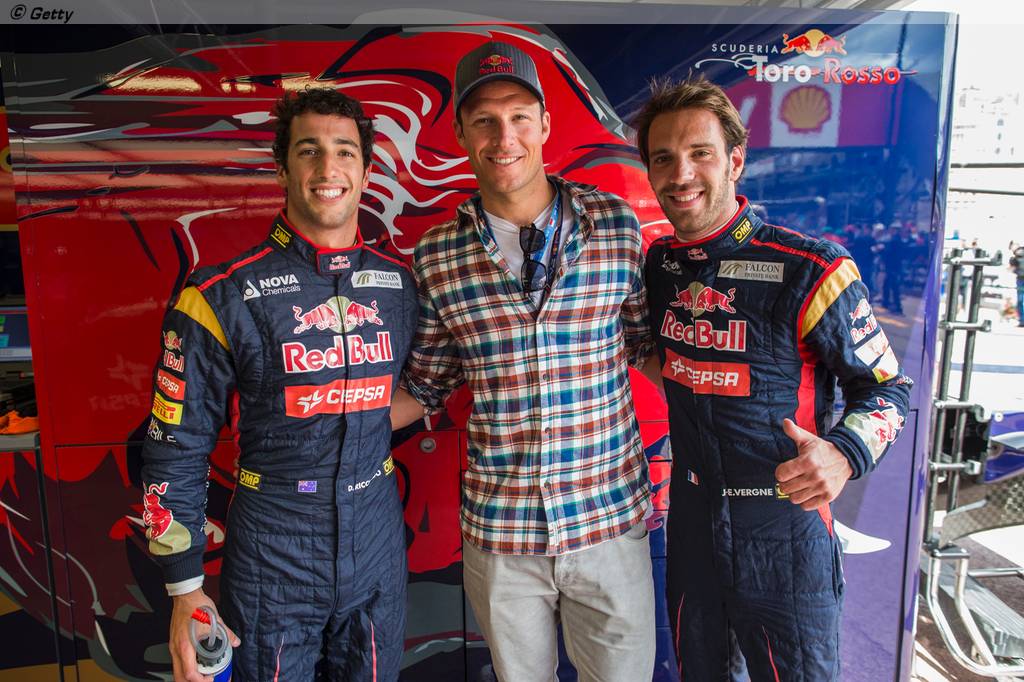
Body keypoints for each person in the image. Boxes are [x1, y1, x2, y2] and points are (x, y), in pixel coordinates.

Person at [390, 40, 656, 681]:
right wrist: (322, 424)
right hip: (502, 535)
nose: (503, 136)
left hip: (609, 522)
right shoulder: (437, 255)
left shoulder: (614, 224)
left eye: (518, 116)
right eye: (484, 119)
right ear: (460, 134)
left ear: (544, 124)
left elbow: (650, 346)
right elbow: (425, 384)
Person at [633, 77, 913, 681]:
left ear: (735, 160)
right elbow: (660, 357)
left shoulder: (812, 267)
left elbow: (888, 388)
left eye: (700, 153)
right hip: (692, 523)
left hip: (785, 527)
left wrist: (844, 453)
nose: (681, 174)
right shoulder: (659, 265)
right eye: (663, 158)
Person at [140, 88, 418, 681]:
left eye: (345, 152)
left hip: (377, 533)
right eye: (309, 151)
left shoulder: (402, 286)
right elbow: (174, 446)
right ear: (283, 169)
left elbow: (430, 382)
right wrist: (184, 588)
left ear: (366, 171)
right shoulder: (219, 294)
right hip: (274, 542)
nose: (328, 168)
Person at [1011, 243, 1024, 326]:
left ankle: (1022, 320)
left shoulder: (1017, 256)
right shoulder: (1016, 257)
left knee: (1020, 300)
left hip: (1020, 279)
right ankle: (1022, 320)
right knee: (1020, 300)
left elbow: (1012, 268)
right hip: (1020, 279)